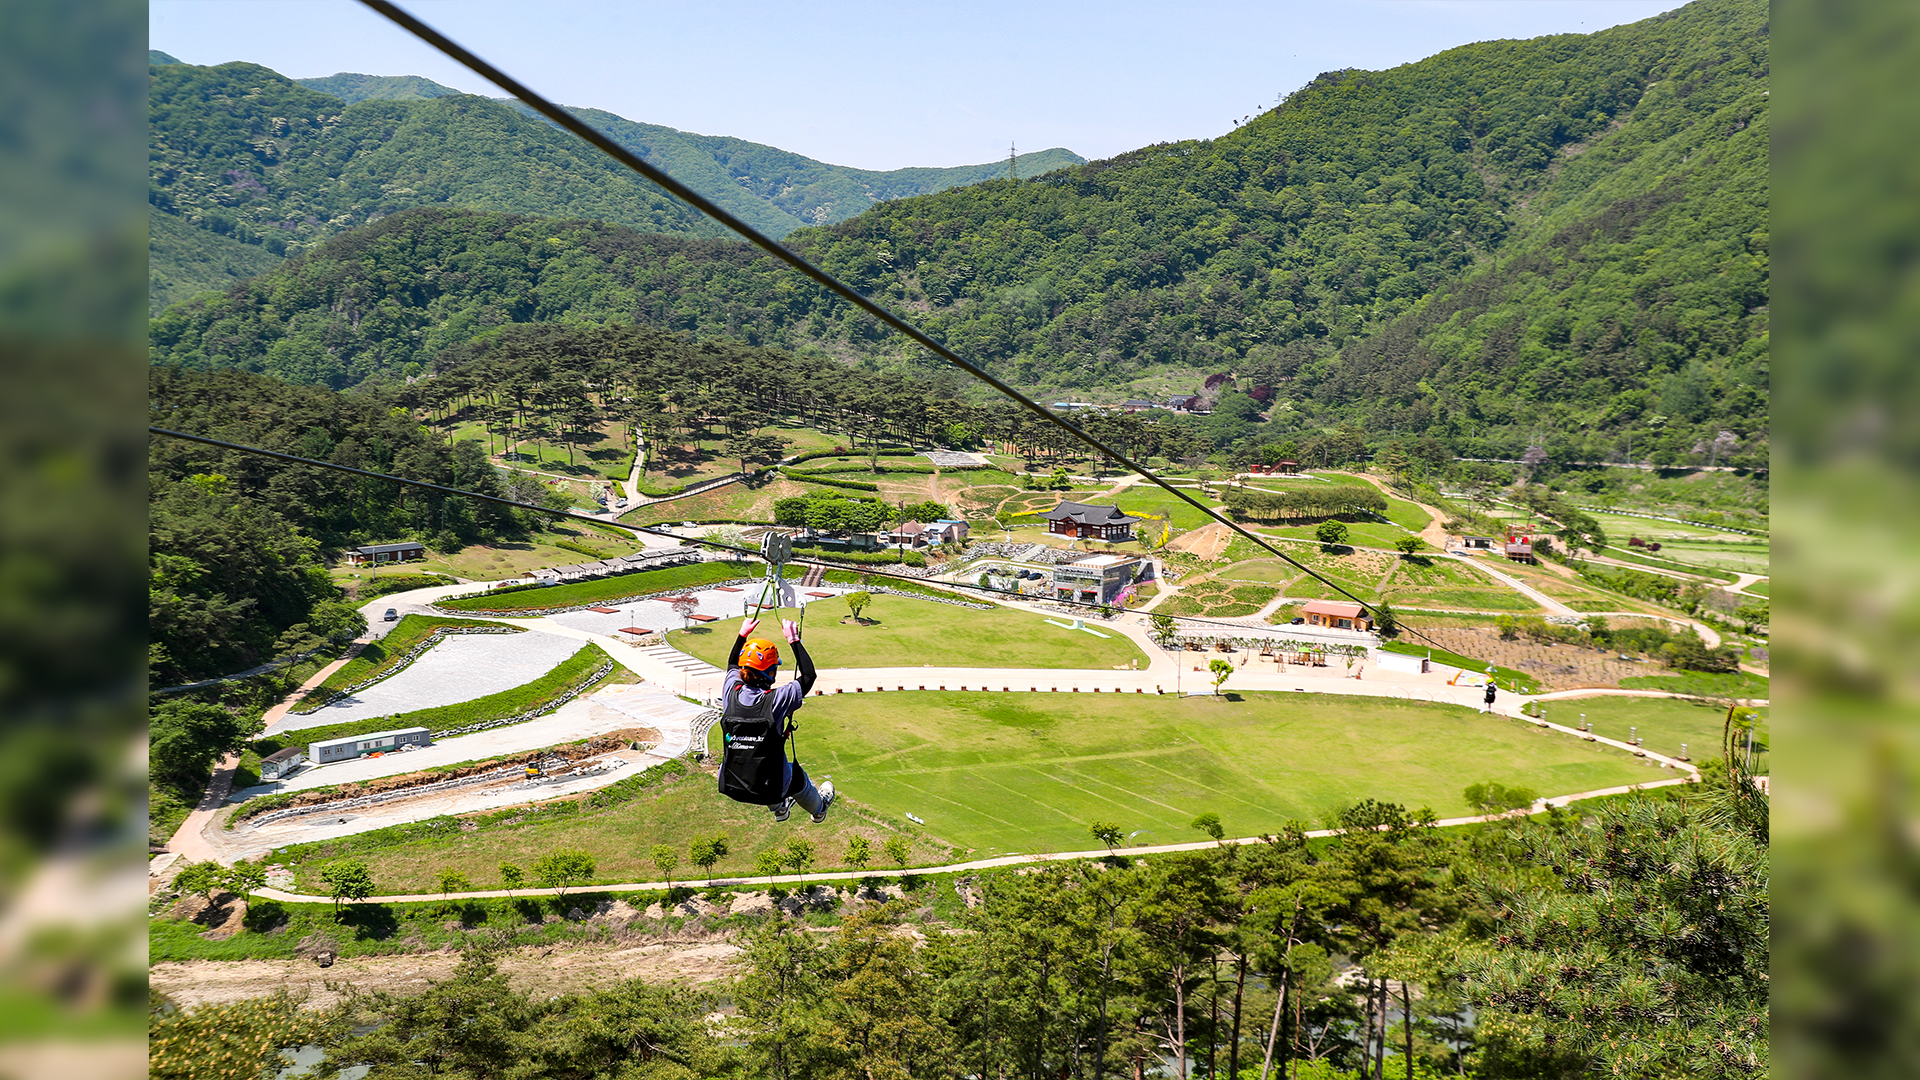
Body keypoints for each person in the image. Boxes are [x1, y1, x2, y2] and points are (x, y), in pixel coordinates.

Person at [716, 617, 834, 823]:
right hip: (769, 788)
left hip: (731, 782)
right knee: (797, 777)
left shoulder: (730, 692)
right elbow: (808, 676)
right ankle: (819, 809)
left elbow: (731, 664)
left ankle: (780, 809)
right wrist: (794, 639)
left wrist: (742, 635)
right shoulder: (775, 701)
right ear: (770, 672)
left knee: (759, 761)